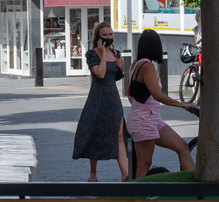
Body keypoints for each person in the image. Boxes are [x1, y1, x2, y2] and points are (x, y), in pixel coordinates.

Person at [124, 30, 196, 178]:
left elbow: (129, 92)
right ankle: (137, 199)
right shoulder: (147, 66)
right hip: (144, 119)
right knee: (144, 164)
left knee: (182, 146)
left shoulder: (135, 63)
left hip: (150, 117)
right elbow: (158, 95)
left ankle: (193, 189)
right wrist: (183, 105)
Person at [73, 26, 128, 181]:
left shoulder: (116, 53)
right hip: (97, 99)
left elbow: (113, 77)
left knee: (119, 135)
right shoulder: (92, 54)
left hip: (113, 98)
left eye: (110, 34)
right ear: (98, 37)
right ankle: (93, 172)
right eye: (104, 34)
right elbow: (101, 74)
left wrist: (121, 69)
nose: (108, 37)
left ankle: (125, 173)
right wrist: (103, 54)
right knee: (96, 133)